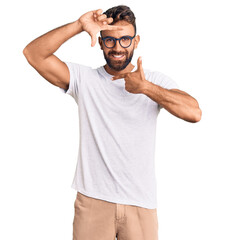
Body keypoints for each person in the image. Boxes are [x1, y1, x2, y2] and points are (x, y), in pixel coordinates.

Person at [23, 5, 202, 240]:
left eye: (125, 40)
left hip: (141, 203)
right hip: (93, 202)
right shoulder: (84, 79)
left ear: (136, 41)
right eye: (109, 41)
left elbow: (194, 113)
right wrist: (79, 25)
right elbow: (33, 54)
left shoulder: (153, 81)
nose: (117, 48)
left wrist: (145, 88)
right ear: (100, 43)